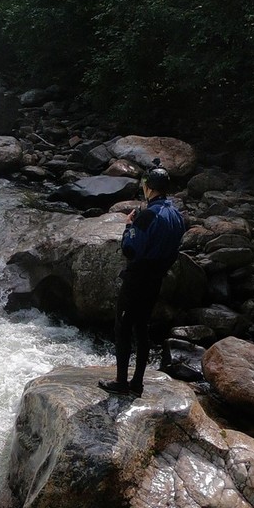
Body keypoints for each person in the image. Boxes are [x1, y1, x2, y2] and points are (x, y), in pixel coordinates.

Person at [101, 166, 185, 396]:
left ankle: (120, 382)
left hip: (138, 278)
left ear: (149, 187)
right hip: (156, 279)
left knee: (123, 327)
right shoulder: (176, 215)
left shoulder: (148, 215)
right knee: (142, 328)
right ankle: (137, 382)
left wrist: (129, 226)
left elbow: (130, 249)